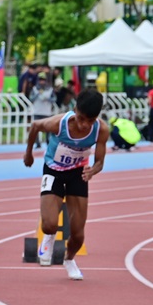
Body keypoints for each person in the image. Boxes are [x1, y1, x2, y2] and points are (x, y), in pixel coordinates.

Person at [23, 89, 109, 280]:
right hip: (54, 170)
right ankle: (49, 238)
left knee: (78, 234)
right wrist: (28, 152)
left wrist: (93, 170)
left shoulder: (100, 129)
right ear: (74, 109)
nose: (84, 124)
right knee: (49, 224)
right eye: (81, 118)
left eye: (90, 120)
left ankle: (69, 259)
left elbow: (100, 162)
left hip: (78, 174)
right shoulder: (58, 123)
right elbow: (35, 126)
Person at [29, 73, 56, 143]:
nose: (42, 82)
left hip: (46, 112)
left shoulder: (50, 89)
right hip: (37, 111)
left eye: (43, 80)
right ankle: (37, 142)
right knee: (36, 128)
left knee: (47, 128)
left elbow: (54, 99)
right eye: (40, 80)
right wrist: (38, 94)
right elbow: (31, 98)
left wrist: (48, 99)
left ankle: (47, 140)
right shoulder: (35, 89)